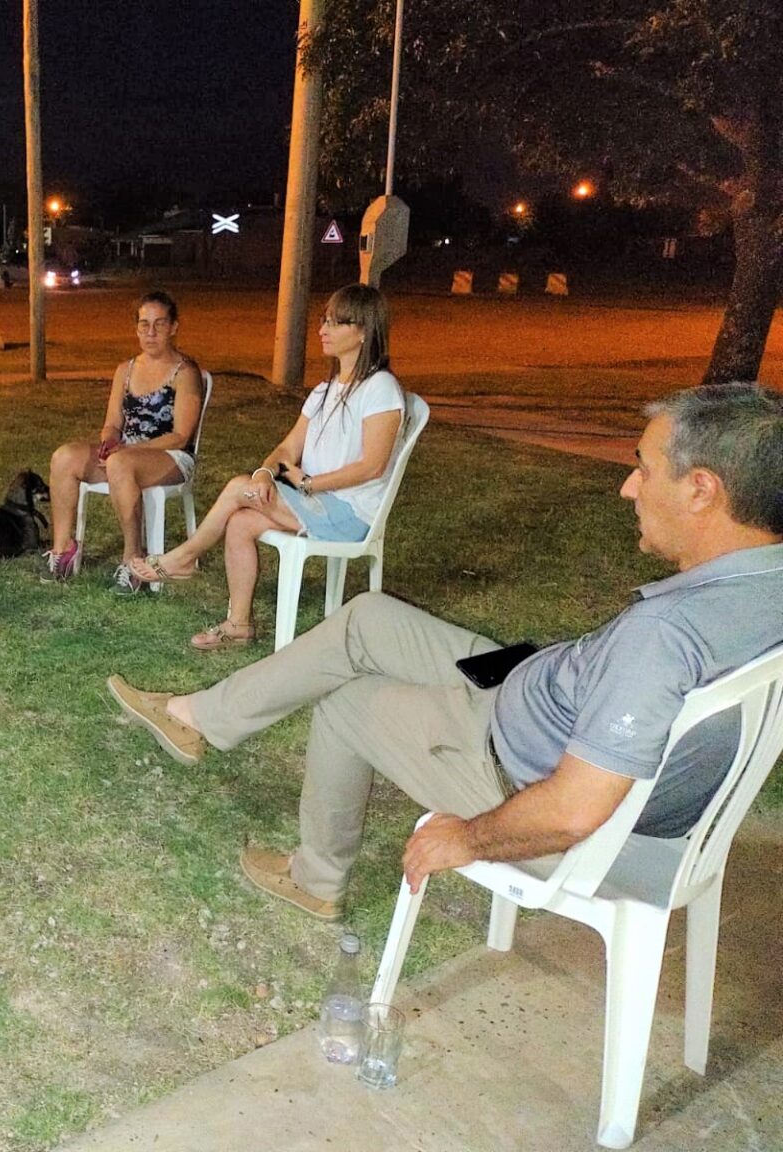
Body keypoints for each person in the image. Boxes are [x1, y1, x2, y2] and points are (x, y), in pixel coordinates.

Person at [107, 382, 783, 921]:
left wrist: (466, 837)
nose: (628, 486)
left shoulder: (665, 636)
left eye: (643, 468)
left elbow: (574, 810)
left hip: (519, 769)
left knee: (348, 703)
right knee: (367, 618)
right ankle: (197, 718)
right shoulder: (765, 582)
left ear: (703, 490)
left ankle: (315, 880)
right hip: (534, 691)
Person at [129, 284, 403, 646]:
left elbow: (373, 466)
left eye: (336, 323)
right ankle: (238, 625)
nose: (323, 330)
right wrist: (265, 474)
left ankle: (183, 558)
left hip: (351, 513)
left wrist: (306, 484)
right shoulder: (325, 390)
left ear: (364, 331)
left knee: (236, 488)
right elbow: (288, 447)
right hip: (314, 498)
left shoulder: (380, 388)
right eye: (324, 320)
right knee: (241, 520)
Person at [44, 290, 205, 593]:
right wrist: (108, 442)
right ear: (136, 329)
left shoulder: (185, 372)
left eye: (159, 324)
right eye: (144, 324)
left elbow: (181, 435)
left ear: (173, 327)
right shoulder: (126, 370)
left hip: (170, 456)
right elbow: (112, 424)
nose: (151, 332)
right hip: (125, 453)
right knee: (64, 457)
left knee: (120, 463)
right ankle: (62, 550)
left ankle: (133, 562)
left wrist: (126, 450)